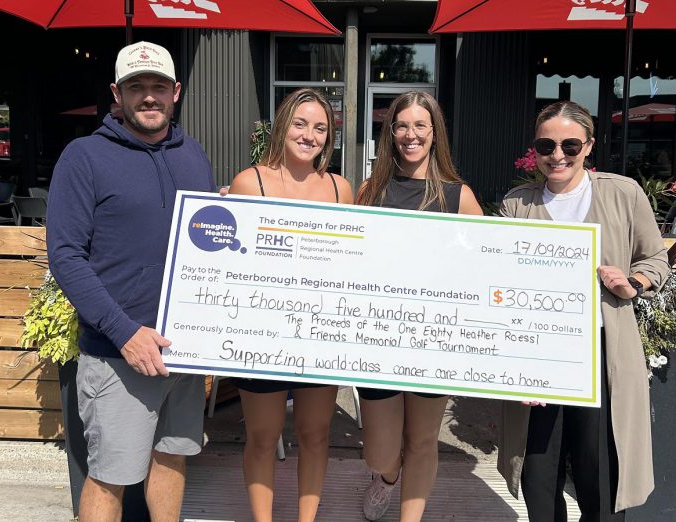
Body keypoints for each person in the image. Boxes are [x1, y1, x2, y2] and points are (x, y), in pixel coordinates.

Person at [47, 41, 217, 522]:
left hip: (181, 352)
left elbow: (204, 235)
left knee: (171, 456)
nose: (148, 97)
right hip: (118, 353)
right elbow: (66, 256)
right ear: (116, 94)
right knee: (110, 476)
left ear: (176, 92)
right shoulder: (84, 157)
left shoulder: (192, 154)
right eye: (135, 87)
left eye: (158, 87)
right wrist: (124, 333)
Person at [497, 101, 670, 521]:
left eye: (570, 145)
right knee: (539, 474)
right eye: (546, 145)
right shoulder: (516, 205)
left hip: (602, 352)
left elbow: (655, 260)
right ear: (535, 150)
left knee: (600, 474)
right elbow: (496, 278)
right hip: (538, 354)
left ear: (588, 146)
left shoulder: (623, 193)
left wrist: (633, 283)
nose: (558, 155)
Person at [354, 90, 483, 521]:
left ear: (434, 133)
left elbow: (484, 265)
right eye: (402, 126)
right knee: (380, 450)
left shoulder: (457, 195)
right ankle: (387, 478)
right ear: (391, 133)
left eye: (420, 126)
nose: (411, 135)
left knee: (423, 441)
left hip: (435, 339)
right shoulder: (371, 190)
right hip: (378, 338)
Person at [226, 87, 353, 522]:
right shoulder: (249, 182)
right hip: (261, 334)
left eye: (320, 127)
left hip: (320, 335)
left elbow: (352, 266)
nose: (309, 135)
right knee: (263, 437)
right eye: (300, 124)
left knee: (315, 434)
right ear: (283, 126)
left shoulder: (341, 189)